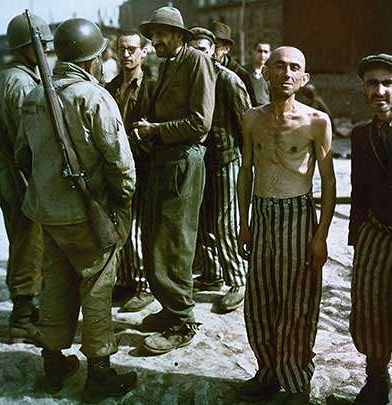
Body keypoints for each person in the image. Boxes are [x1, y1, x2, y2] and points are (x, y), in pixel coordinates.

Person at [15, 18, 137, 402]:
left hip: (48, 212)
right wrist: (122, 201)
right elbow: (120, 162)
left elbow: (22, 154)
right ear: (94, 59)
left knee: (57, 281)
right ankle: (99, 371)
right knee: (98, 284)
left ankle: (53, 359)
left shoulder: (35, 95)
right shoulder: (94, 96)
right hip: (89, 212)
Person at [237, 46, 336, 404]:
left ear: (304, 78)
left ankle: (296, 381)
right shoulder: (252, 118)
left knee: (298, 301)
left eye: (295, 68)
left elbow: (328, 181)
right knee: (260, 300)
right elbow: (246, 169)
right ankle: (267, 372)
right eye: (279, 66)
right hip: (262, 215)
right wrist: (244, 222)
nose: (286, 73)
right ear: (266, 72)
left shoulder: (315, 121)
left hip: (298, 215)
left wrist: (321, 235)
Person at [134, 6, 216, 354]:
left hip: (184, 161)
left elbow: (201, 123)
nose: (155, 40)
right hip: (164, 160)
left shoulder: (197, 61)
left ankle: (183, 320)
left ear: (181, 36)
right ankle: (170, 309)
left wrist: (156, 131)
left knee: (176, 241)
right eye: (153, 35)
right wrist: (146, 131)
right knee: (157, 237)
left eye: (162, 34)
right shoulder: (166, 64)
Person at [0, 13, 52, 341]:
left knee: (21, 236)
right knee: (29, 239)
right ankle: (22, 317)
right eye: (41, 44)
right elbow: (25, 140)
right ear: (27, 47)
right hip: (18, 172)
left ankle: (25, 308)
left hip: (6, 171)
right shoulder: (20, 83)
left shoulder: (7, 75)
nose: (46, 48)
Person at [189, 27, 251, 312]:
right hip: (202, 160)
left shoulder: (228, 81)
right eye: (194, 48)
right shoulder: (189, 79)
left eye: (204, 48)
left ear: (213, 50)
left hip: (228, 160)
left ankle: (237, 280)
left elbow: (247, 127)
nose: (199, 54)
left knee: (226, 223)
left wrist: (249, 165)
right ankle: (213, 274)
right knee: (204, 220)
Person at [348, 53, 392, 405]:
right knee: (370, 308)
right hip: (376, 234)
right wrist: (357, 238)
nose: (380, 91)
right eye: (372, 83)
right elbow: (359, 190)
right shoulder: (361, 135)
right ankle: (376, 380)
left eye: (388, 83)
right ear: (363, 89)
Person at [106, 30, 156, 312]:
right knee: (121, 225)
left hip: (143, 165)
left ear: (143, 52)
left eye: (132, 49)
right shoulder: (112, 87)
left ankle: (143, 285)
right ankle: (125, 280)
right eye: (122, 49)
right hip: (117, 165)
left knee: (138, 227)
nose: (126, 54)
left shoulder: (152, 85)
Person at [210, 21, 256, 106]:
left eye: (216, 47)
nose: (211, 51)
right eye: (209, 46)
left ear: (227, 49)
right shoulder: (201, 69)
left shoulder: (240, 74)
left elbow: (251, 107)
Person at [245, 41, 271, 106]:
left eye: (265, 52)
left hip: (266, 111)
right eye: (259, 51)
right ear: (253, 52)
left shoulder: (271, 73)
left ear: (270, 54)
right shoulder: (243, 72)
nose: (262, 55)